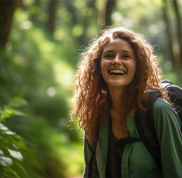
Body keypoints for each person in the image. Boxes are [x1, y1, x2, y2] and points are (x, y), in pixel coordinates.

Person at [71, 26, 182, 178]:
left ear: (138, 66)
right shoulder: (96, 113)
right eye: (109, 56)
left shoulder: (158, 110)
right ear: (98, 66)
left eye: (125, 56)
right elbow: (91, 173)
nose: (116, 61)